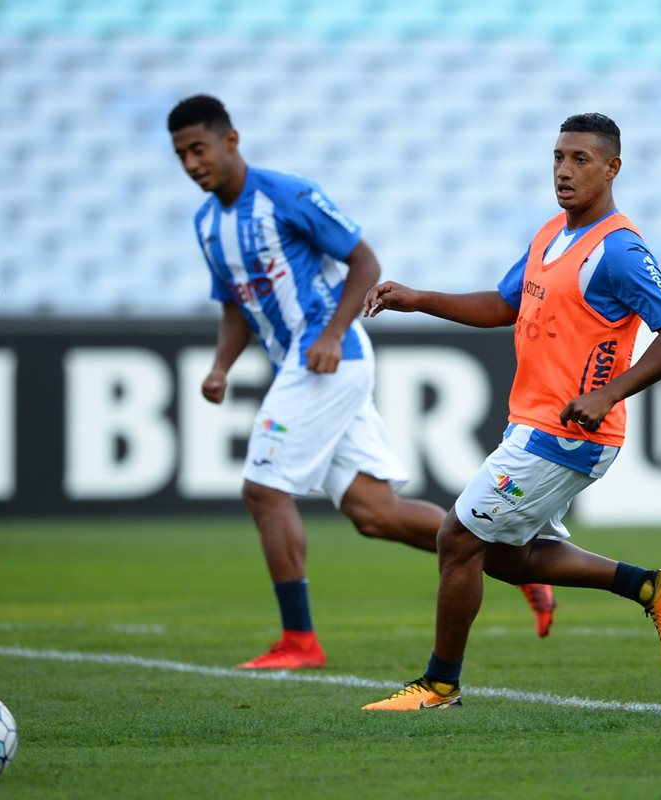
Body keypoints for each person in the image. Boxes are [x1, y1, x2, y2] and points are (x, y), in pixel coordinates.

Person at [168, 94, 557, 670]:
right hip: (304, 366)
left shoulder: (285, 195)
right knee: (375, 513)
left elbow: (365, 262)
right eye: (181, 156)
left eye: (200, 148)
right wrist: (221, 366)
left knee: (263, 488)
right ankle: (509, 557)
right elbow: (234, 304)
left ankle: (299, 641)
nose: (193, 163)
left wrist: (329, 332)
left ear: (231, 140)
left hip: (329, 358)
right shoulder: (208, 224)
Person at [361, 113, 661, 711]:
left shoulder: (619, 250)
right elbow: (502, 305)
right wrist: (418, 299)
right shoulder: (550, 234)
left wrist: (608, 393)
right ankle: (650, 586)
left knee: (457, 537)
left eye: (580, 160)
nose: (564, 171)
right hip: (534, 420)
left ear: (613, 168)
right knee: (505, 558)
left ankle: (440, 684)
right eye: (557, 158)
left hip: (566, 432)